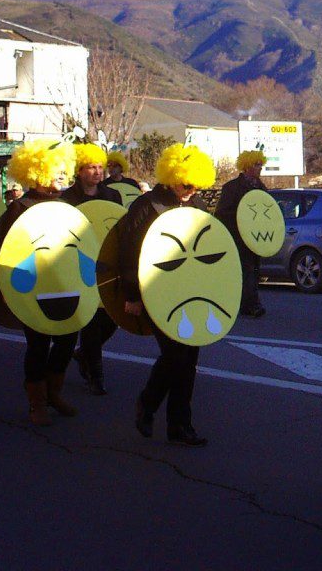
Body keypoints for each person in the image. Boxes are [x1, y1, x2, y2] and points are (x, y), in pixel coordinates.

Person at [120, 143, 216, 447]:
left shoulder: (197, 205)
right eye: (186, 184)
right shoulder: (146, 206)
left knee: (189, 359)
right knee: (175, 355)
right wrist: (132, 295)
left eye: (196, 185)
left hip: (191, 292)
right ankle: (147, 405)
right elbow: (128, 252)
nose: (190, 190)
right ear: (171, 174)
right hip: (155, 290)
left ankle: (179, 425)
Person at [0, 138, 80, 425]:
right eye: (56, 170)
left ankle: (54, 393)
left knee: (66, 341)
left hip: (65, 284)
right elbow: (0, 252)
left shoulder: (68, 206)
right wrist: (3, 287)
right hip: (31, 288)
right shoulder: (19, 208)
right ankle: (36, 402)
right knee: (38, 345)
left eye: (65, 170)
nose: (62, 176)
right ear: (38, 172)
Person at [63, 143, 123, 395]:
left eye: (100, 167)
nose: (98, 172)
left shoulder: (113, 196)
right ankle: (95, 375)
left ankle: (83, 354)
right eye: (91, 167)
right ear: (79, 170)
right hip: (80, 264)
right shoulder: (67, 199)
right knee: (89, 319)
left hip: (108, 264)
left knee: (111, 318)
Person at [214, 149, 268, 319]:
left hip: (256, 237)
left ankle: (247, 303)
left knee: (254, 270)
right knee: (247, 270)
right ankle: (252, 304)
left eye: (261, 164)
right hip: (238, 237)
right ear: (246, 167)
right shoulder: (232, 188)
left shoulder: (261, 187)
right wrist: (241, 219)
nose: (259, 168)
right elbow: (222, 213)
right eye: (256, 165)